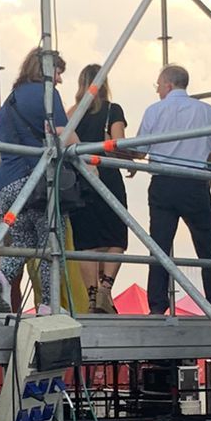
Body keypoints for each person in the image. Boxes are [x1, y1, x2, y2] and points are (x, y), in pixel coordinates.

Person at [130, 64, 211, 316]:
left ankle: (157, 304)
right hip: (195, 182)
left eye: (158, 86)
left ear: (168, 85)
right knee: (206, 246)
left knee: (159, 245)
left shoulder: (154, 111)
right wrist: (206, 164)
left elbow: (140, 149)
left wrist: (121, 153)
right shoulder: (207, 111)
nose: (158, 90)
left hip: (163, 182)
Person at [0, 46, 69, 313]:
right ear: (47, 71)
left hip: (7, 183)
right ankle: (47, 305)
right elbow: (63, 132)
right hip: (36, 182)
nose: (59, 79)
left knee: (23, 242)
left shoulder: (10, 100)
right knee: (52, 243)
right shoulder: (47, 94)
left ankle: (3, 277)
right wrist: (86, 158)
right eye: (58, 72)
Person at [68, 62, 128, 313]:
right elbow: (119, 143)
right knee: (117, 235)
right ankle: (105, 288)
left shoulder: (72, 113)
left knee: (86, 241)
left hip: (80, 180)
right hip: (107, 176)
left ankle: (91, 297)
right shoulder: (112, 110)